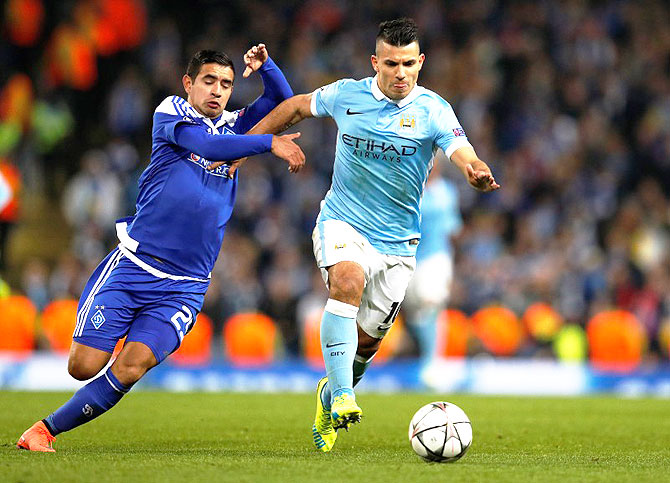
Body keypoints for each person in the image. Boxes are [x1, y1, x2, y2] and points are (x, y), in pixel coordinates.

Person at [220, 18, 499, 452]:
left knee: (364, 348)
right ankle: (345, 397)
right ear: (376, 63)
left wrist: (475, 170)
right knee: (346, 281)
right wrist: (246, 146)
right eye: (391, 63)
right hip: (343, 222)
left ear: (421, 62)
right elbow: (295, 107)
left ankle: (330, 393)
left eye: (409, 63)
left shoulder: (434, 109)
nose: (401, 72)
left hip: (398, 244)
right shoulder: (346, 94)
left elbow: (460, 150)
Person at [16, 44, 304, 452]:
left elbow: (283, 102)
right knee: (83, 367)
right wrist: (267, 144)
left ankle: (42, 431)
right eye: (209, 81)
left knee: (131, 367)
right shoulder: (172, 112)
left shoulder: (234, 127)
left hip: (185, 285)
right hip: (135, 266)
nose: (218, 91)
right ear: (188, 83)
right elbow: (208, 148)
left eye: (225, 83)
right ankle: (104, 322)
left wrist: (267, 67)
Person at [402, 155, 462, 387]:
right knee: (416, 311)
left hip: (437, 256)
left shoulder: (447, 192)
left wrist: (452, 268)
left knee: (432, 301)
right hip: (409, 257)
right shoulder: (408, 187)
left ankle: (433, 363)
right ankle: (422, 358)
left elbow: (452, 231)